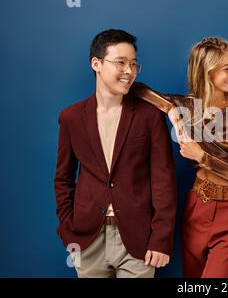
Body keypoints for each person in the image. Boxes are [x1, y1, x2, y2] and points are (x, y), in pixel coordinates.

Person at [131, 37, 228, 278]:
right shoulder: (186, 106)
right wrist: (171, 110)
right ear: (207, 72)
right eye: (227, 69)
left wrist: (202, 156)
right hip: (197, 207)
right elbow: (138, 89)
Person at [54, 29, 177, 278]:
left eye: (133, 64)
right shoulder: (71, 118)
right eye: (120, 62)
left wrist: (161, 239)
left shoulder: (149, 116)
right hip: (88, 239)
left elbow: (164, 180)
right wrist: (68, 230)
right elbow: (63, 179)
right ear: (96, 64)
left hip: (138, 239)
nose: (129, 71)